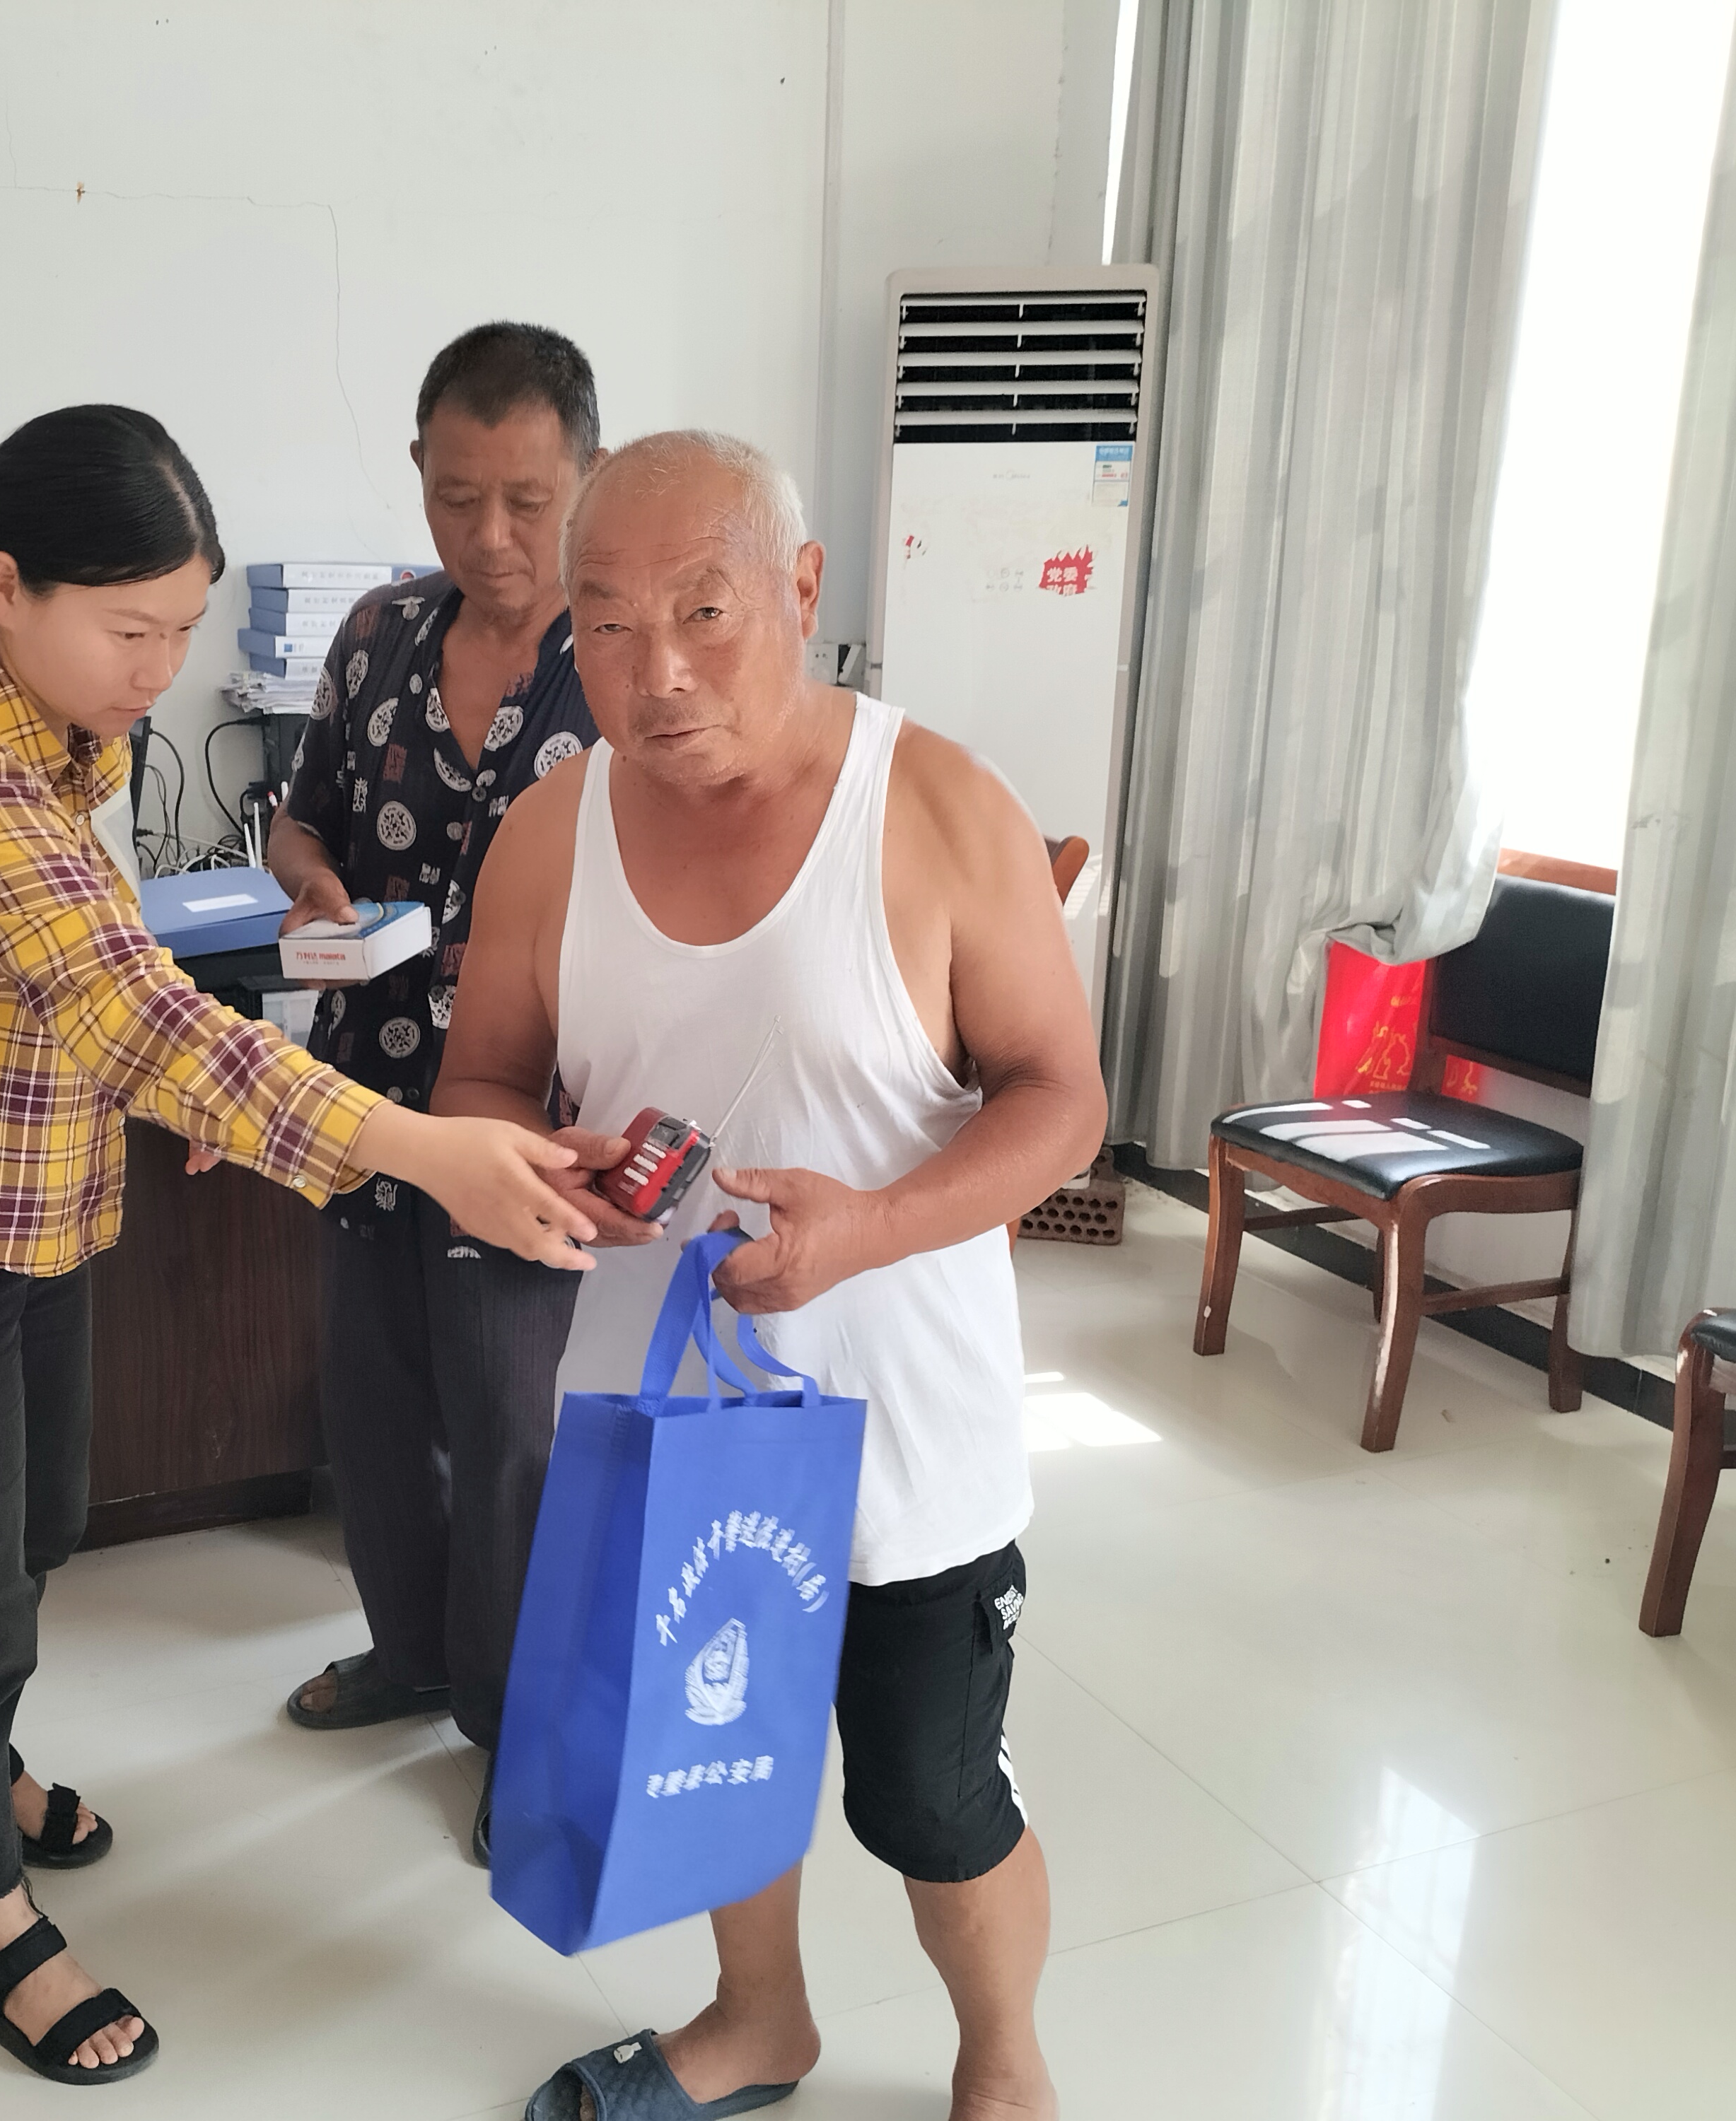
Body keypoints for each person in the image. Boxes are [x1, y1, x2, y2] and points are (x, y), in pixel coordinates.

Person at [0, 404, 600, 2089]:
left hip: (28, 1196)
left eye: (181, 630)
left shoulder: (50, 724)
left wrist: (216, 1092)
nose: (160, 670)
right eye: (130, 630)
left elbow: (91, 987)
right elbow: (123, 1008)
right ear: (3, 589)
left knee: (37, 1525)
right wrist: (418, 1150)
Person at [433, 430, 1105, 2121]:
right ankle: (759, 2018)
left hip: (905, 1438)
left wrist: (863, 1230)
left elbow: (1062, 1102)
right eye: (603, 625)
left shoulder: (936, 807)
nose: (652, 673)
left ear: (801, 590)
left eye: (703, 613)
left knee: (931, 1798)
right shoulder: (550, 834)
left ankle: (1003, 2055)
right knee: (715, 1757)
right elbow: (482, 1083)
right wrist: (542, 1171)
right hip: (667, 1426)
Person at [267, 324, 633, 1852]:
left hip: (529, 1115)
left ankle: (516, 1723)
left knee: (507, 1432)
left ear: (587, 478)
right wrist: (312, 887)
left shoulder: (628, 663)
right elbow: (299, 817)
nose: (489, 538)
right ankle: (411, 1652)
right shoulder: (377, 636)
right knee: (372, 1402)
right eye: (454, 497)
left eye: (527, 502)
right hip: (369, 1097)